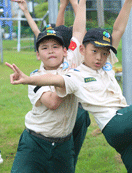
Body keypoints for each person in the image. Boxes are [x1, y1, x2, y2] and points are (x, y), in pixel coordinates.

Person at [6, 1, 132, 172]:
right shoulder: (76, 73)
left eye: (104, 52)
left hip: (122, 123)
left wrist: (128, 2)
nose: (99, 57)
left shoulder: (103, 63)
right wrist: (27, 79)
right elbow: (55, 82)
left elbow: (117, 28)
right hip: (114, 123)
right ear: (82, 51)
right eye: (94, 52)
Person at [8, 0, 88, 172]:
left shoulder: (72, 59)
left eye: (55, 46)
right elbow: (53, 103)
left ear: (65, 50)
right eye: (44, 48)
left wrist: (83, 2)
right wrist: (70, 78)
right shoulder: (35, 78)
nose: (51, 50)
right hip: (35, 144)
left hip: (64, 147)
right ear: (38, 54)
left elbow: (80, 30)